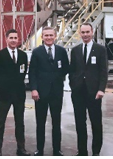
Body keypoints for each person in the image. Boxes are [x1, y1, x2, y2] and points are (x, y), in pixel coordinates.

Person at [29, 26, 69, 156]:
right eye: (46, 35)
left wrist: (57, 79)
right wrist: (34, 89)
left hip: (56, 92)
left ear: (55, 36)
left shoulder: (61, 51)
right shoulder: (37, 52)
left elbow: (65, 68)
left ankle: (57, 150)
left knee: (56, 122)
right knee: (40, 122)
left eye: (51, 35)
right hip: (40, 93)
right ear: (42, 37)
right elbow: (32, 72)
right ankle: (39, 149)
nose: (49, 38)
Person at [69, 23, 108, 156]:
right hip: (78, 92)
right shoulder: (75, 50)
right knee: (80, 123)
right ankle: (82, 152)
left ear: (92, 32)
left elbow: (103, 71)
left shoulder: (100, 50)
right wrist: (73, 85)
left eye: (87, 32)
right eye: (83, 32)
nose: (85, 35)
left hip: (94, 93)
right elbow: (72, 70)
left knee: (96, 123)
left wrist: (101, 89)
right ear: (79, 34)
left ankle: (96, 152)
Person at [0, 29, 30, 156]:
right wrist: (2, 86)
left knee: (20, 122)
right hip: (4, 95)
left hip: (19, 94)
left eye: (15, 38)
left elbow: (23, 72)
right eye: (11, 38)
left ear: (18, 39)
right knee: (0, 122)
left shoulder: (23, 55)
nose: (13, 40)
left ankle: (21, 148)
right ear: (6, 39)